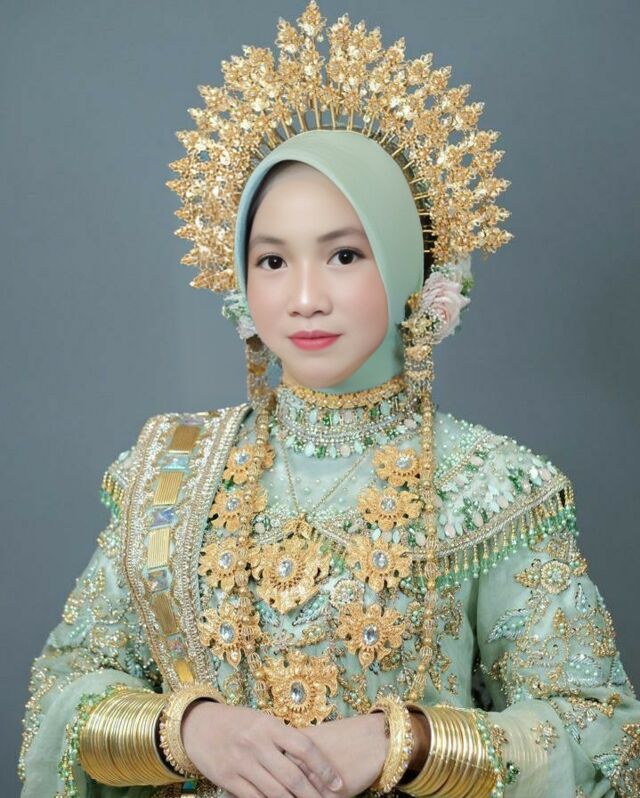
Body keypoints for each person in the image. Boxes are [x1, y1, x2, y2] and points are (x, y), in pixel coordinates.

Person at [18, 2, 640, 797]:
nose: (305, 298)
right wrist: (190, 730)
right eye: (272, 262)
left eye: (344, 255)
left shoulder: (494, 488)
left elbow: (601, 733)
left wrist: (405, 742)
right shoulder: (169, 469)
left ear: (410, 264)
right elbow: (64, 689)